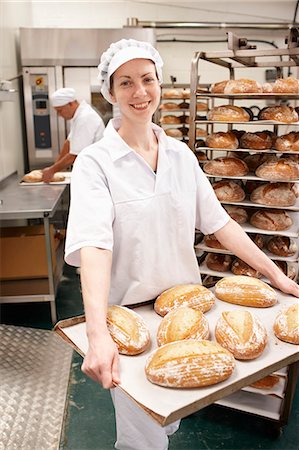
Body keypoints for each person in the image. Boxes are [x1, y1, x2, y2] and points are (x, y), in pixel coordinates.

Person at [65, 38, 299, 450]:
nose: (140, 92)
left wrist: (274, 275)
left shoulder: (180, 155)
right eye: (126, 83)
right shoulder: (95, 162)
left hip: (184, 310)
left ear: (158, 81)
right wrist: (98, 332)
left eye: (147, 79)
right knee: (143, 439)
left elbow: (220, 223)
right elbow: (94, 246)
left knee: (168, 416)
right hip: (131, 320)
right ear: (110, 92)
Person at [42, 87, 105, 182]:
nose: (59, 115)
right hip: (88, 170)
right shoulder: (78, 117)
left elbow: (75, 154)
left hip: (95, 173)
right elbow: (68, 143)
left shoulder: (85, 118)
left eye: (60, 110)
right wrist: (55, 168)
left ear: (71, 104)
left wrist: (52, 170)